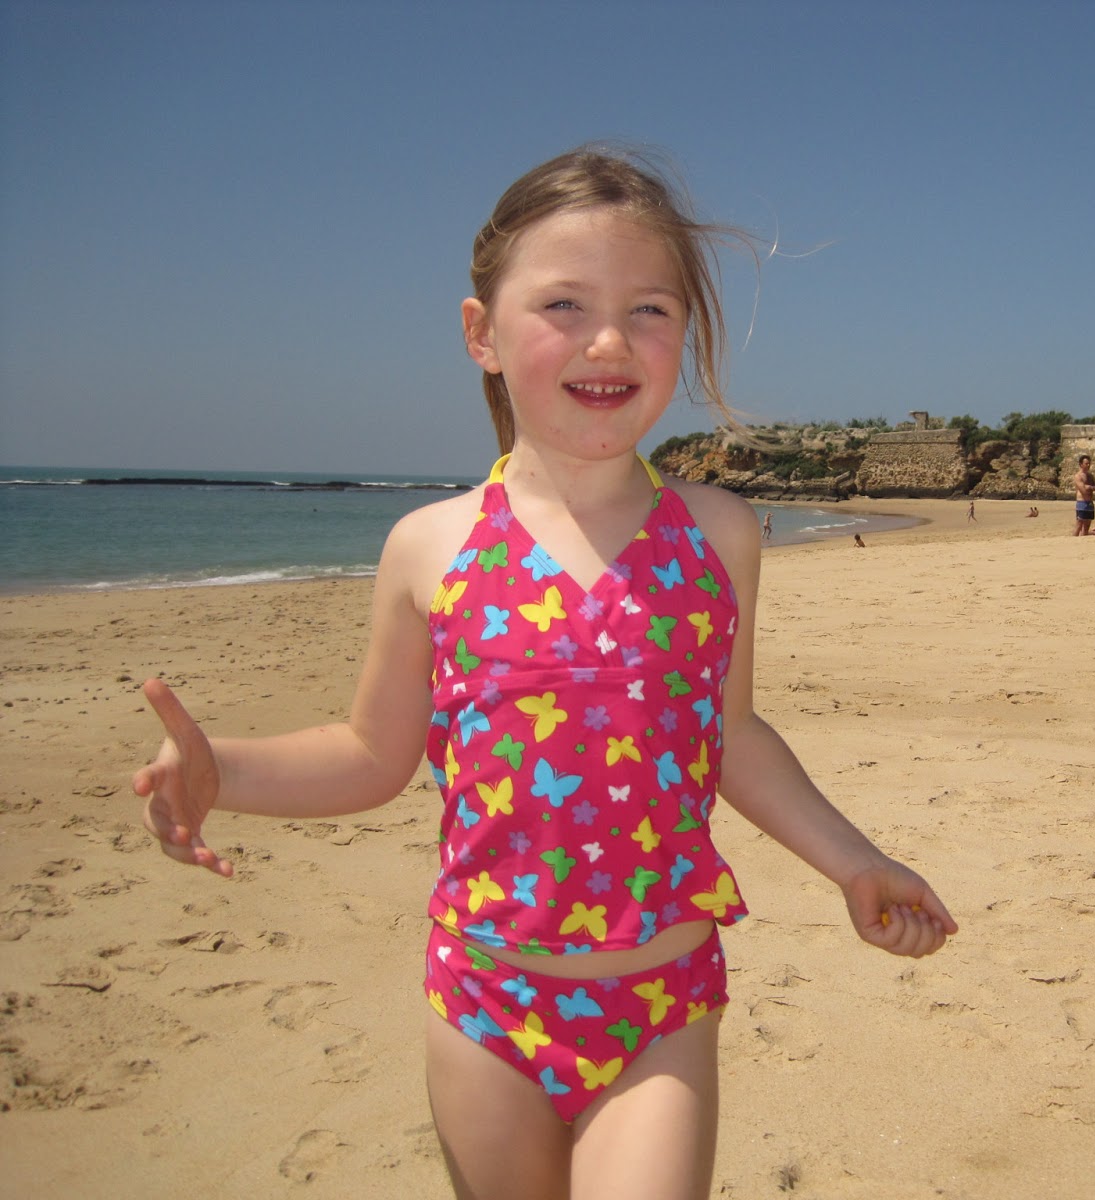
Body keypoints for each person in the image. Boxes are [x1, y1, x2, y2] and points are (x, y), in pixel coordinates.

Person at [132, 146, 956, 1200]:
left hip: (660, 1003)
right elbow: (369, 752)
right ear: (482, 334)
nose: (609, 339)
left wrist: (853, 860)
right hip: (485, 1004)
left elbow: (733, 738)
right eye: (563, 303)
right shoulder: (430, 547)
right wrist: (224, 772)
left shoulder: (717, 533)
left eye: (649, 309)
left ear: (686, 337)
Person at [1072, 454, 1095, 536]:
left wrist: (1089, 487)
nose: (1088, 465)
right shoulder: (1078, 476)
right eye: (1086, 463)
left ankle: (1083, 541)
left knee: (1087, 525)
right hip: (1082, 502)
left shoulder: (1090, 476)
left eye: (1089, 463)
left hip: (1090, 502)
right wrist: (1090, 487)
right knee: (1079, 524)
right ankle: (1072, 540)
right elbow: (1083, 490)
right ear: (1081, 464)